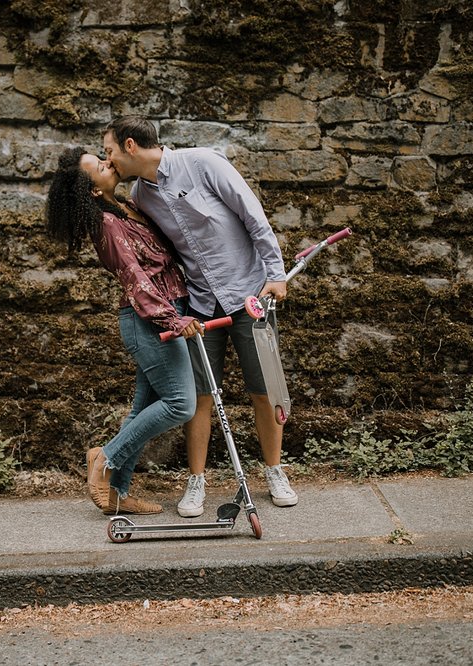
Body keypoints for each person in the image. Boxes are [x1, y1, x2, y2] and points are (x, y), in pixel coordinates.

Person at [102, 115, 298, 518]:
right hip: (199, 304)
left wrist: (276, 273)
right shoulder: (140, 196)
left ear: (131, 146)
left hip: (249, 294)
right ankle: (196, 482)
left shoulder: (204, 163)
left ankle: (275, 471)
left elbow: (251, 214)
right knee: (201, 397)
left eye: (109, 151)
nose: (110, 160)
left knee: (264, 388)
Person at [45, 147, 204, 516]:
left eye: (101, 157)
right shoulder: (107, 223)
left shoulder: (128, 208)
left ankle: (118, 491)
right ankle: (104, 459)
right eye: (99, 167)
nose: (107, 163)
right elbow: (134, 277)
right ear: (92, 192)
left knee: (143, 408)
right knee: (181, 403)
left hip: (167, 309)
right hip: (148, 319)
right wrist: (171, 319)